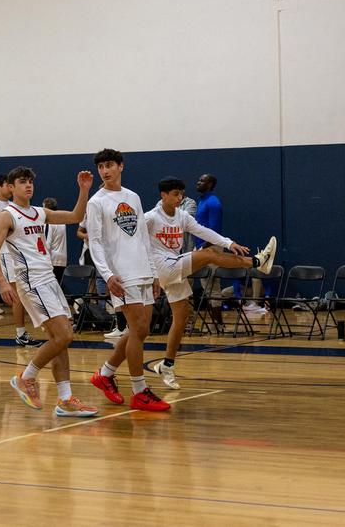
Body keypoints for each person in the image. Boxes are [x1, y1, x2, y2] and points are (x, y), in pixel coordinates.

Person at [0, 164, 99, 417]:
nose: (28, 185)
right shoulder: (7, 215)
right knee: (64, 335)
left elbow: (75, 216)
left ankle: (65, 399)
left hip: (48, 278)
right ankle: (26, 377)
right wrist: (2, 281)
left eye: (30, 181)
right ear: (11, 187)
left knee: (60, 340)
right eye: (22, 181)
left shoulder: (39, 212)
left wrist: (83, 190)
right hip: (31, 281)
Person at [146, 177, 277, 389]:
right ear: (163, 195)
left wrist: (229, 243)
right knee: (208, 255)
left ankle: (167, 365)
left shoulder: (182, 216)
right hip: (161, 267)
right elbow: (134, 243)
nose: (180, 198)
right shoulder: (150, 218)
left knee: (181, 317)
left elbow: (203, 231)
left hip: (174, 266)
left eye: (181, 194)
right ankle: (256, 262)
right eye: (175, 194)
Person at [86, 149, 169, 412]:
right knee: (138, 329)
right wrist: (107, 274)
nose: (105, 170)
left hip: (143, 269)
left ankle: (105, 374)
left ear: (121, 166)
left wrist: (154, 273)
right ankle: (139, 390)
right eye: (101, 167)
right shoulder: (96, 202)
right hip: (121, 274)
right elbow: (94, 242)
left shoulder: (133, 197)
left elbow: (143, 236)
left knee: (140, 331)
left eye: (109, 165)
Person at [0, 147, 43, 347]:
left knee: (28, 292)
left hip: (22, 255)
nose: (11, 187)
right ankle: (20, 333)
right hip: (6, 255)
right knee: (18, 294)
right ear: (0, 187)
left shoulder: (15, 207)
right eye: (8, 184)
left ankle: (44, 323)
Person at [42, 197, 68, 285]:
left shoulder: (48, 223)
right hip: (62, 260)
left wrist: (43, 260)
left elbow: (47, 244)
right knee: (57, 288)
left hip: (51, 260)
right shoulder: (62, 221)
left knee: (50, 289)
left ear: (46, 208)